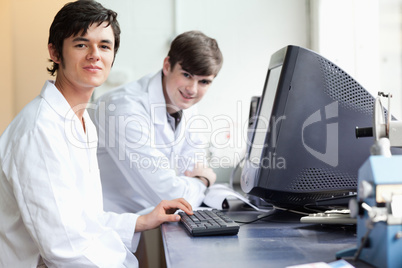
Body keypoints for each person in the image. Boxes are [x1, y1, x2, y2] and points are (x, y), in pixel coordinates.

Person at [0, 1, 192, 267]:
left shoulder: (81, 120)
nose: (95, 54)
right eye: (81, 44)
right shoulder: (40, 131)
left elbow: (84, 218)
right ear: (55, 53)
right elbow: (63, 247)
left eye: (104, 45)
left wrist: (142, 220)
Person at [90, 30, 223, 214]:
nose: (192, 89)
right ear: (167, 66)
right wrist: (203, 181)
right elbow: (170, 197)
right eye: (186, 75)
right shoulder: (123, 108)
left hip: (140, 220)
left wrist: (193, 179)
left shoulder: (185, 103)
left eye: (204, 82)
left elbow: (194, 163)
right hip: (107, 225)